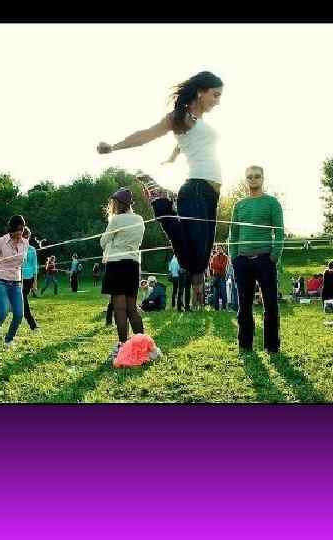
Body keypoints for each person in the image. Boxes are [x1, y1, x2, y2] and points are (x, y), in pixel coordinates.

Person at [97, 71, 224, 308]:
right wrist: (114, 147)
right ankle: (161, 204)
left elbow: (188, 142)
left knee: (201, 259)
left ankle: (197, 304)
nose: (218, 101)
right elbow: (147, 134)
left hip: (211, 194)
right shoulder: (180, 116)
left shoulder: (198, 122)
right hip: (195, 189)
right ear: (200, 92)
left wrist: (173, 157)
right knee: (194, 262)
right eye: (215, 95)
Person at [229, 165, 284, 354]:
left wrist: (274, 256)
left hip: (265, 260)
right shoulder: (239, 205)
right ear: (246, 180)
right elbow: (234, 234)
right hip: (242, 261)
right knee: (244, 305)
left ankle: (272, 346)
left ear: (263, 178)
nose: (253, 179)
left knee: (270, 304)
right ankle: (245, 345)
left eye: (257, 176)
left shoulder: (272, 203)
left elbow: (279, 232)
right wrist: (234, 257)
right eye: (250, 177)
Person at [99, 188, 146, 361]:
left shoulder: (116, 220)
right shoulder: (140, 219)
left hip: (117, 264)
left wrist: (112, 241)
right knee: (132, 308)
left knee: (119, 308)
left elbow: (103, 241)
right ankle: (143, 346)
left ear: (118, 204)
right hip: (133, 265)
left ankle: (123, 346)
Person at [0, 215, 29, 353]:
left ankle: (9, 339)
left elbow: (21, 265)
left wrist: (21, 283)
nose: (20, 232)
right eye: (17, 229)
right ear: (11, 229)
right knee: (3, 312)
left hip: (16, 283)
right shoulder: (0, 242)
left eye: (22, 229)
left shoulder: (25, 243)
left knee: (19, 314)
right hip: (0, 281)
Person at [20, 227, 40, 333]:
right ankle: (32, 324)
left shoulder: (32, 249)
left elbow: (35, 266)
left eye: (27, 237)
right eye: (24, 236)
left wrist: (35, 282)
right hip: (19, 279)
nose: (26, 239)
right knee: (23, 299)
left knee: (22, 300)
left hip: (29, 279)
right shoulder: (17, 249)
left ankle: (21, 316)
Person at [208, 245, 229, 310]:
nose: (218, 250)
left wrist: (216, 265)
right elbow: (211, 266)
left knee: (223, 292)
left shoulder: (225, 257)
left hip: (222, 276)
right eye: (217, 249)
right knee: (215, 293)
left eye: (219, 248)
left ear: (222, 249)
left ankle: (224, 307)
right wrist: (219, 265)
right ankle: (216, 307)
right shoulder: (214, 257)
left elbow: (223, 267)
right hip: (215, 276)